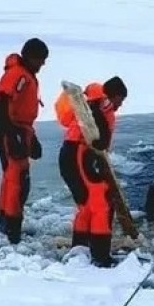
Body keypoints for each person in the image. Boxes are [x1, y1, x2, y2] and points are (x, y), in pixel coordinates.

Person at [56, 76, 127, 267]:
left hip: (73, 154)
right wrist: (101, 139)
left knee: (86, 205)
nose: (120, 105)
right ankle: (100, 255)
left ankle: (80, 248)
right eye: (120, 100)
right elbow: (96, 135)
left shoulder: (94, 102)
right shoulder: (99, 105)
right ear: (114, 96)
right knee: (100, 202)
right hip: (80, 153)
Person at [0, 38, 48, 244]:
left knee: (12, 178)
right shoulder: (18, 75)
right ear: (31, 57)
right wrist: (12, 135)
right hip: (11, 130)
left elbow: (20, 109)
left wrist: (31, 138)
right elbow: (4, 101)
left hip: (18, 130)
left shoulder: (25, 75)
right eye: (41, 59)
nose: (43, 64)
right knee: (18, 180)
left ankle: (6, 224)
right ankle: (12, 230)